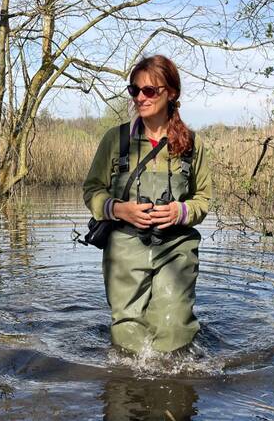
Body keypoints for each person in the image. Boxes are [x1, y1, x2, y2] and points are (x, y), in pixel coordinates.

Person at [83, 55, 211, 353]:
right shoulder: (115, 140)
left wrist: (181, 212)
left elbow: (203, 198)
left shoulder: (192, 144)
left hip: (175, 249)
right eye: (134, 90)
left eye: (150, 91)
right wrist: (118, 209)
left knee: (174, 329)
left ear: (171, 93)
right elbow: (92, 190)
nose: (140, 97)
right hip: (124, 249)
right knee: (127, 338)